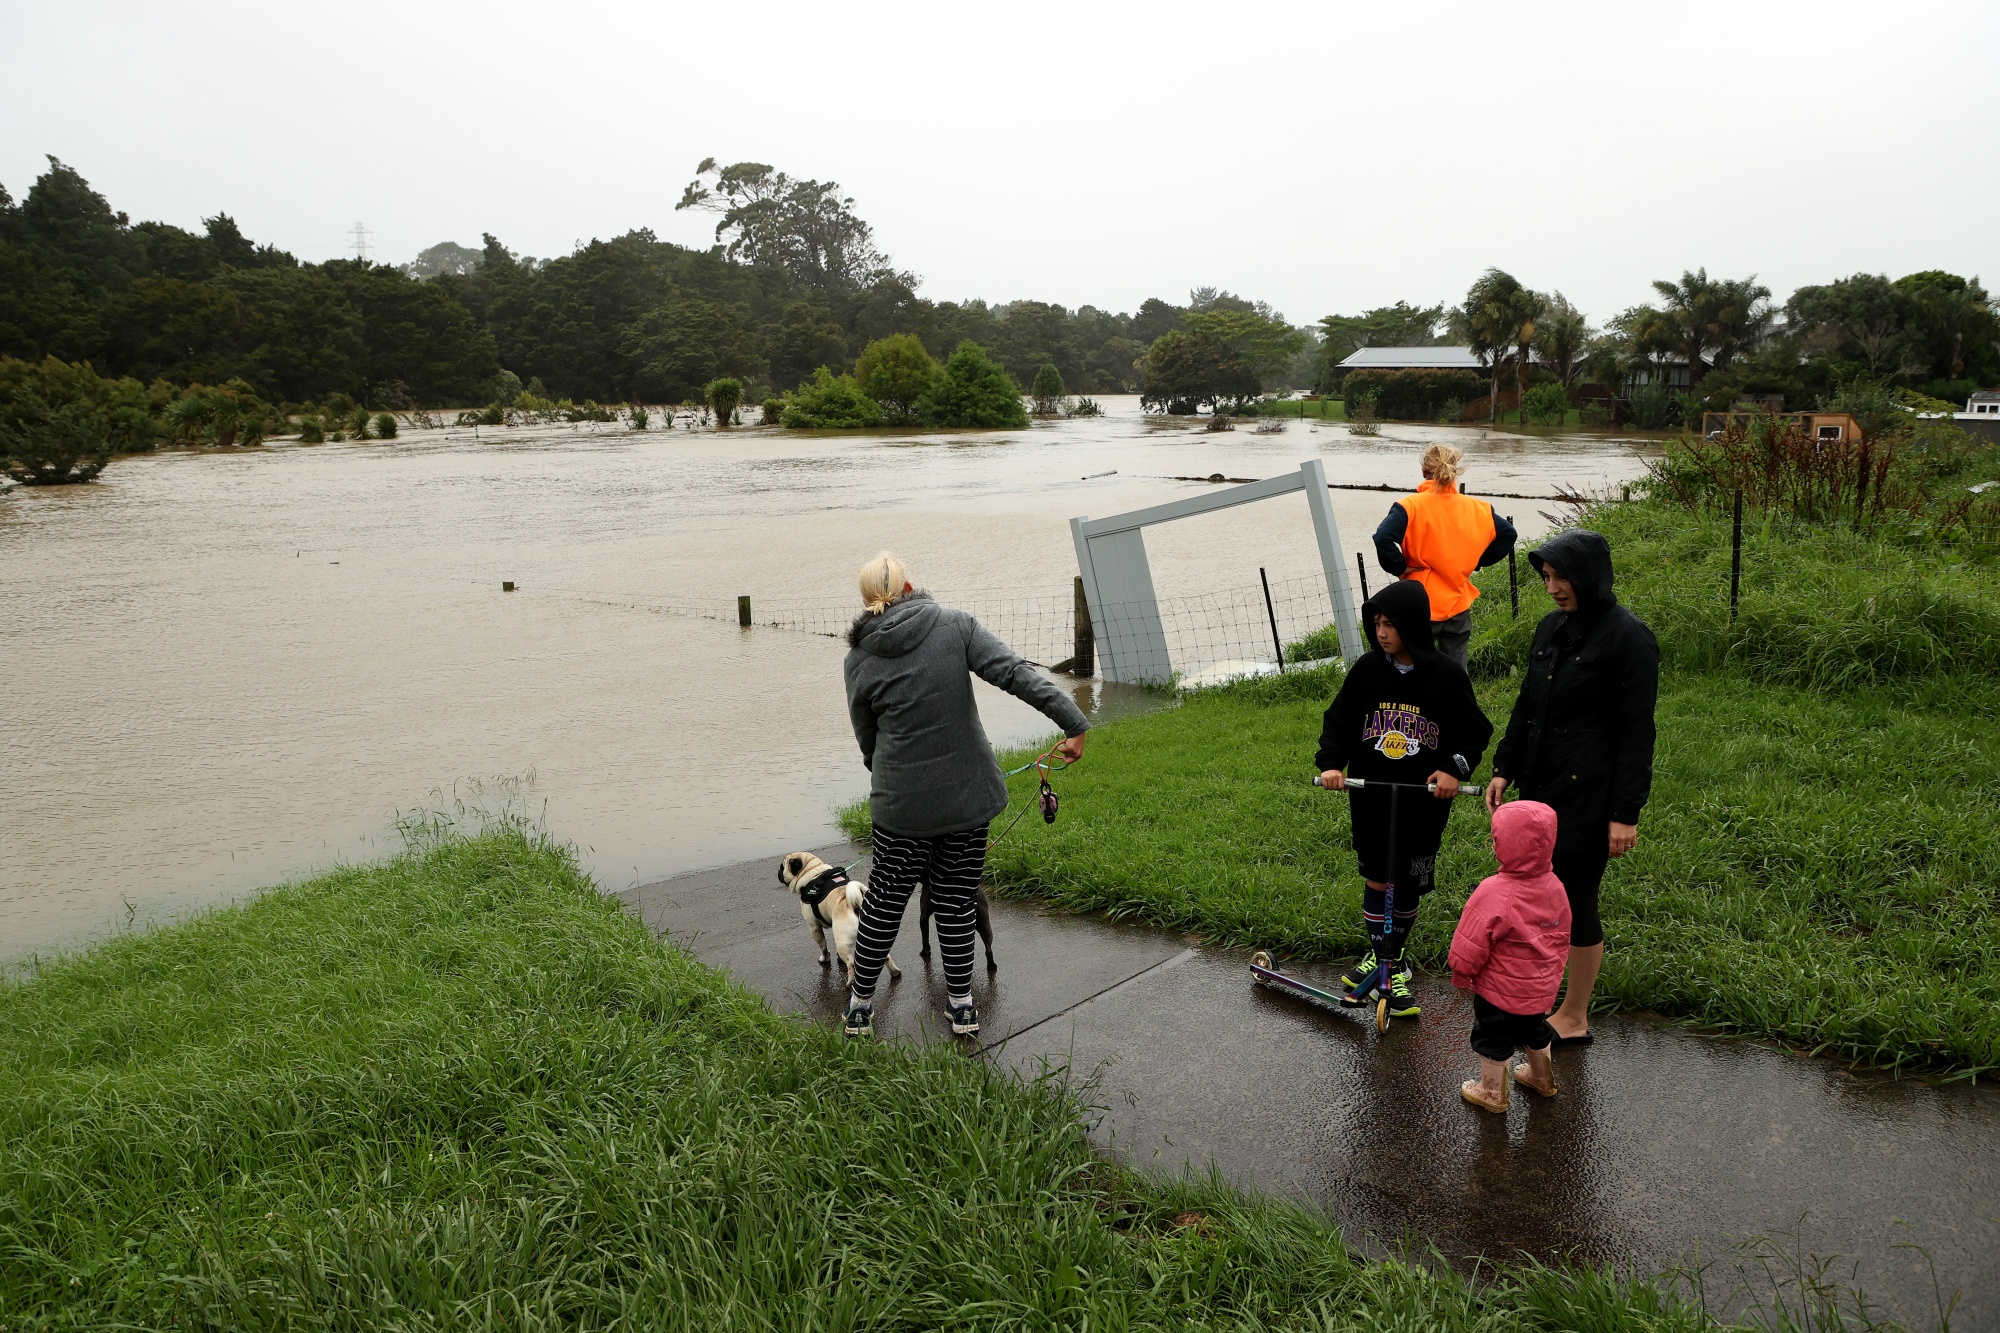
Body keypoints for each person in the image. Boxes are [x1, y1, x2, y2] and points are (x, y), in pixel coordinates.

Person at [841, 553, 1089, 1040]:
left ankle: (858, 1008)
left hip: (900, 808)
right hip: (967, 801)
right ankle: (961, 1006)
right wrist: (1073, 721)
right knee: (956, 901)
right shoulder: (954, 626)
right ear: (911, 585)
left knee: (885, 905)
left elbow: (866, 739)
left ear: (868, 601)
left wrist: (892, 775)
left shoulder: (858, 659)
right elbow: (1015, 672)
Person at [1484, 528, 1659, 1046]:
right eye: (1546, 577)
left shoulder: (1629, 638)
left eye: (1562, 577)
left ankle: (1575, 1014)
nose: (1553, 587)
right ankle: (1536, 994)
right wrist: (1504, 767)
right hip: (1539, 790)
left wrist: (1625, 813)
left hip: (1589, 796)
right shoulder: (1549, 629)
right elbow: (1526, 706)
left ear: (1591, 576)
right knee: (1536, 894)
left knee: (1576, 899)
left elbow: (1637, 733)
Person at [1315, 578, 1493, 1017]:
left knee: (1407, 881)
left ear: (1412, 625)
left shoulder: (1447, 676)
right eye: (1376, 623)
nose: (1381, 632)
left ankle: (1391, 960)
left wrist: (1454, 769)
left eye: (1390, 624)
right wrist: (1331, 764)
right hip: (1372, 797)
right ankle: (1383, 960)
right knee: (1378, 876)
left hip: (1422, 801)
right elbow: (1338, 721)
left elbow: (1475, 732)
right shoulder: (1366, 671)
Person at [1449, 799, 1571, 1112]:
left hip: (1498, 992)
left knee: (1492, 1036)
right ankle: (1542, 1080)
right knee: (1535, 1029)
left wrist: (1461, 973)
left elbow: (1470, 941)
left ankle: (1492, 1093)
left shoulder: (1494, 891)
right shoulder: (1555, 886)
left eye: (1496, 839)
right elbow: (1561, 935)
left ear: (1506, 845)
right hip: (1540, 988)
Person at [1372, 444, 1518, 670]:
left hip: (1420, 603)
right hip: (1459, 599)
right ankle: (1456, 704)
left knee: (1417, 668)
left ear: (1424, 472)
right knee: (1456, 670)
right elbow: (1509, 534)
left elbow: (1382, 538)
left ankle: (1420, 704)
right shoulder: (1478, 508)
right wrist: (1478, 561)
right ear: (1455, 470)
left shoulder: (1410, 506)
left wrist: (1399, 567)